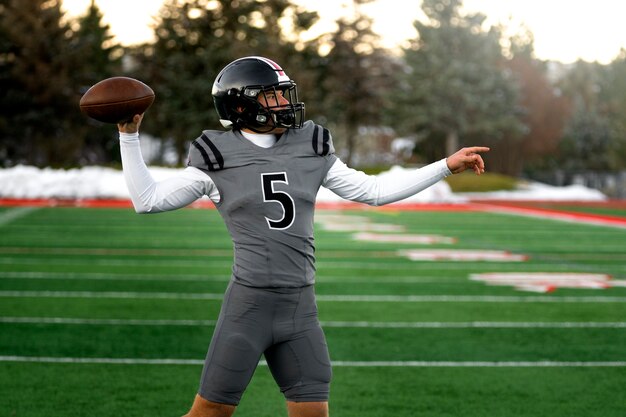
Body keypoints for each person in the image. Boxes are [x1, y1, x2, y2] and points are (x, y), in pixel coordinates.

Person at [117, 56, 489, 417]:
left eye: (284, 93)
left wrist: (445, 166)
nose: (284, 102)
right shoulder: (216, 156)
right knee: (211, 412)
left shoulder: (310, 146)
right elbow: (147, 201)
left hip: (301, 307)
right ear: (244, 104)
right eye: (273, 95)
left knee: (312, 411)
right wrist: (129, 137)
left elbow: (373, 191)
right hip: (249, 308)